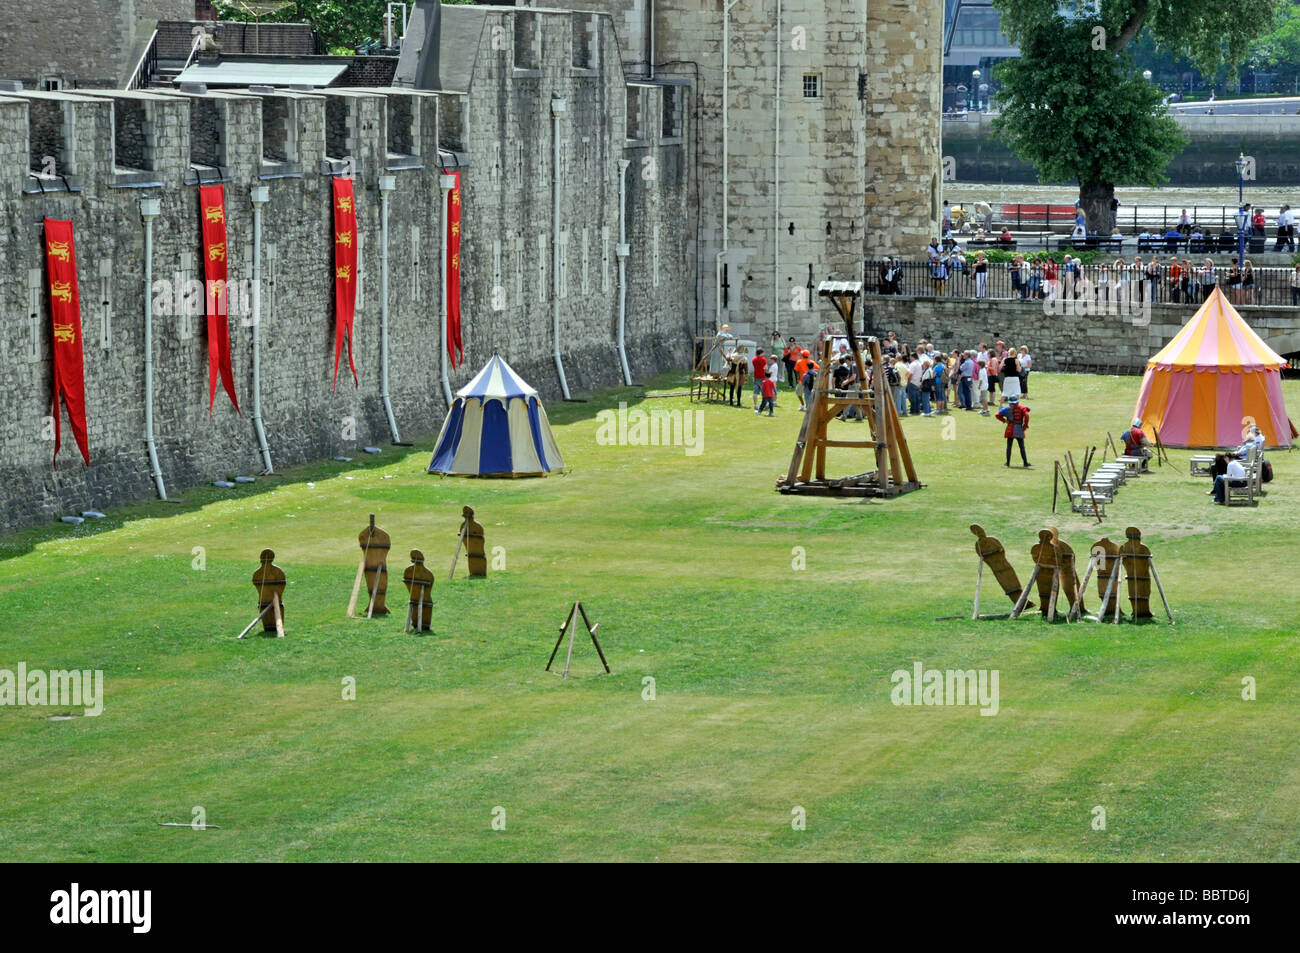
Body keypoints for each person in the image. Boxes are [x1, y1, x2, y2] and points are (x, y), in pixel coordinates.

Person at [996, 395, 1031, 467]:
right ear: (1017, 402)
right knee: (1022, 447)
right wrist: (1025, 425)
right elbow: (1027, 415)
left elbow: (997, 414)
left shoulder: (1006, 409)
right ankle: (1025, 463)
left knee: (1009, 446)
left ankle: (1008, 463)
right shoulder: (1022, 408)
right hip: (1019, 428)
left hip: (1010, 429)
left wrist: (1004, 420)